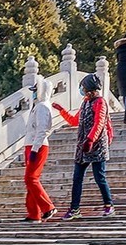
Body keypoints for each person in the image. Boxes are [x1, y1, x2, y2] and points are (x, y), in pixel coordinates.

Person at [53, 73, 115, 219]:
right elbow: (75, 121)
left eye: (83, 87)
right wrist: (61, 110)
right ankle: (74, 209)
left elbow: (99, 123)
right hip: (83, 146)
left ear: (89, 89)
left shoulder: (100, 102)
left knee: (99, 177)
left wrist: (90, 140)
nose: (81, 90)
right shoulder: (85, 103)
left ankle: (109, 205)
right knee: (77, 177)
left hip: (97, 145)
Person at [21, 79, 57, 222]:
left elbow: (43, 130)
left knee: (31, 178)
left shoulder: (43, 107)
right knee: (30, 180)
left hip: (38, 145)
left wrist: (35, 150)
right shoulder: (38, 106)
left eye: (36, 90)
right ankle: (33, 213)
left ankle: (48, 207)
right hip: (32, 144)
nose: (34, 94)